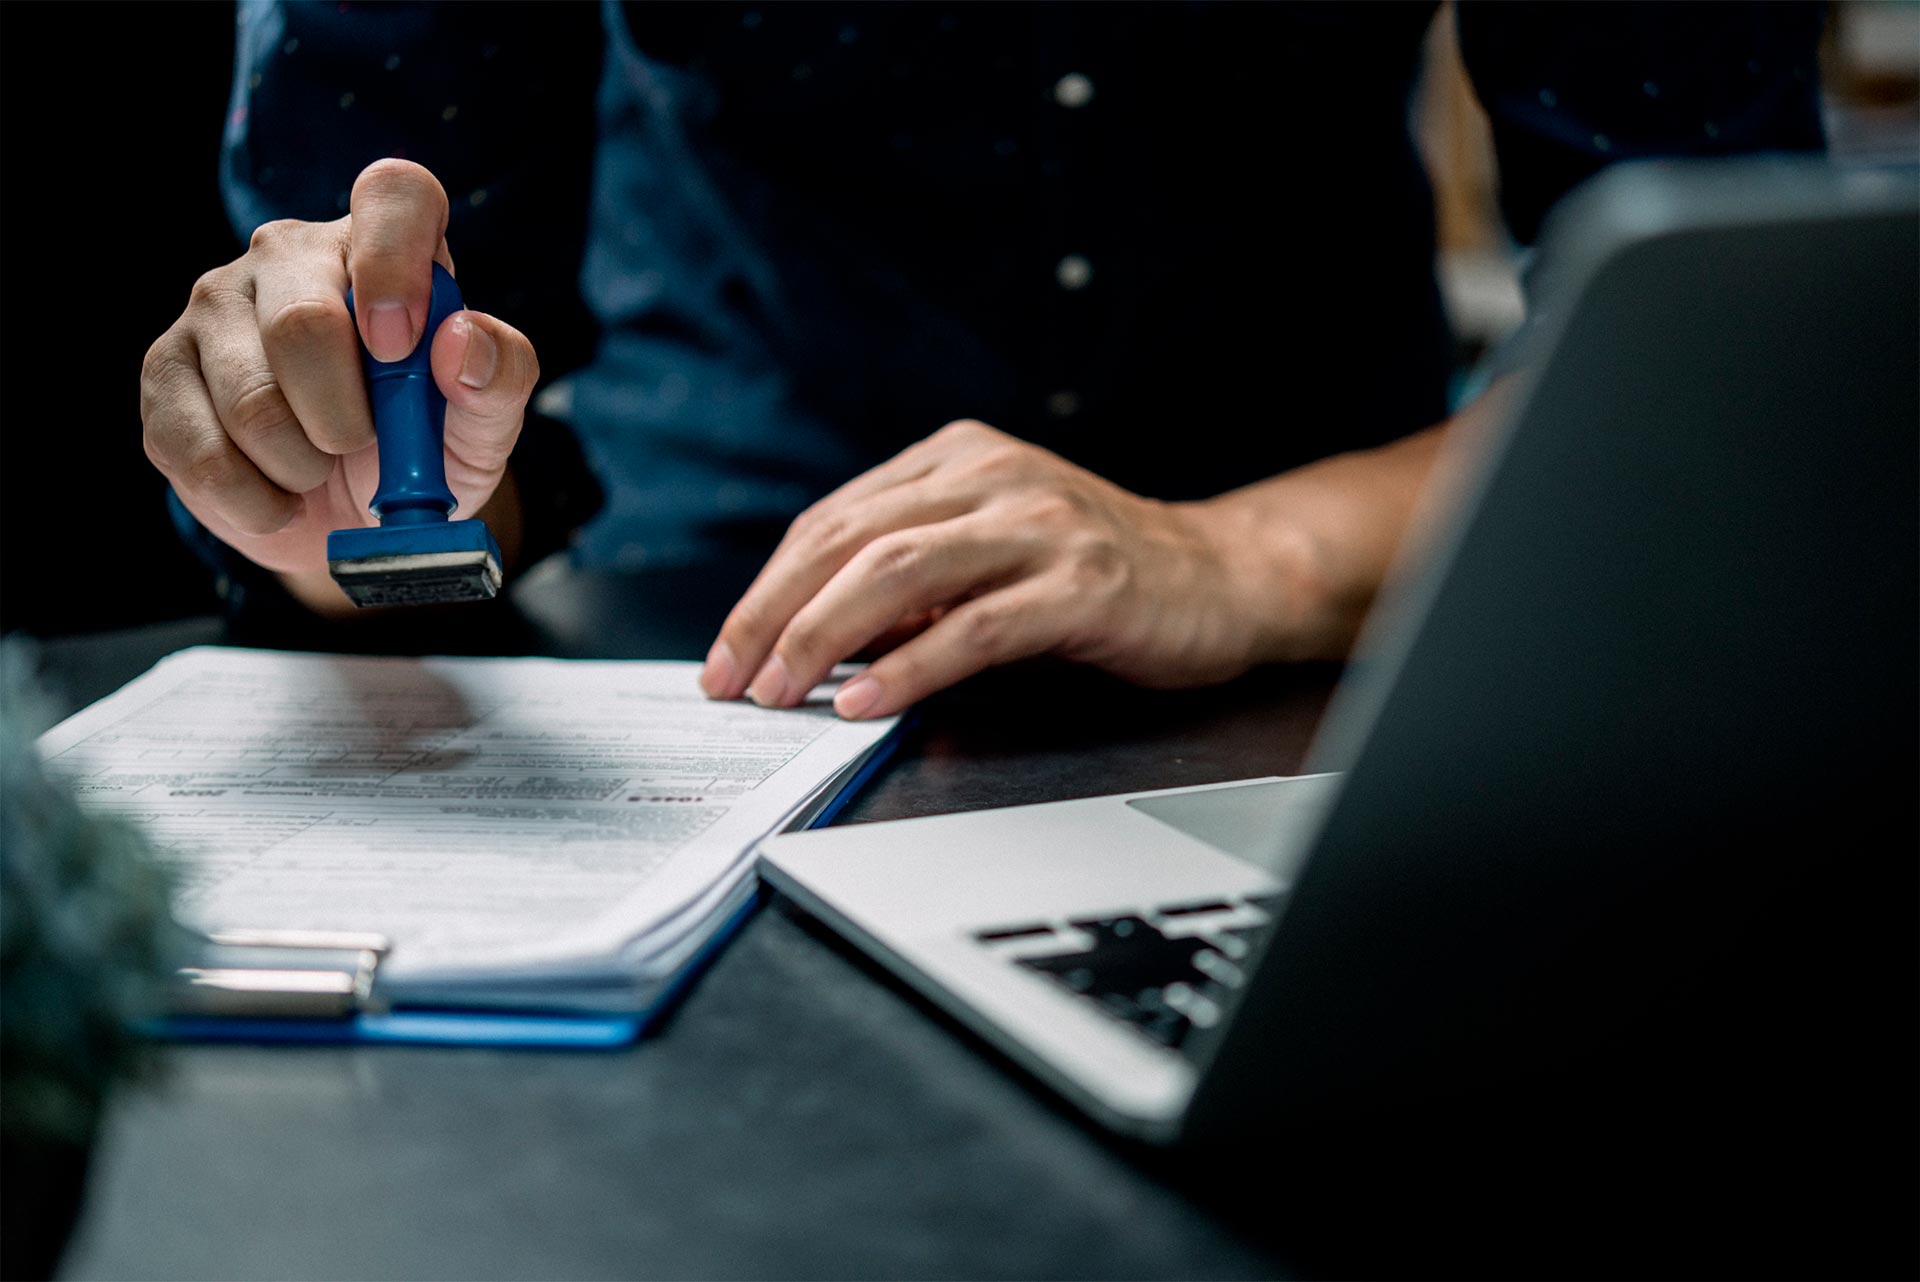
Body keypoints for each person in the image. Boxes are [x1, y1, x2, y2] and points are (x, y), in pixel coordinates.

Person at [139, 3, 1825, 720]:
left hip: (1360, 660)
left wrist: (1251, 553)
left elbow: (1742, 347)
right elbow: (411, 463)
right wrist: (346, 529)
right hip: (703, 686)